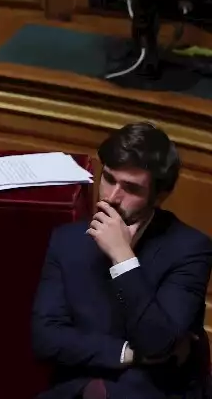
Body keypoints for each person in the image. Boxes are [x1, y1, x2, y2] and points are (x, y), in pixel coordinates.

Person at [31, 121, 212, 399]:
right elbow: (46, 339)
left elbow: (157, 342)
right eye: (109, 179)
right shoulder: (66, 241)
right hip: (79, 389)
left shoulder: (190, 249)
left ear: (160, 196)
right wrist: (128, 353)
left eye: (131, 188)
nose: (112, 197)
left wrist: (123, 257)